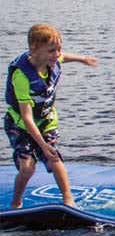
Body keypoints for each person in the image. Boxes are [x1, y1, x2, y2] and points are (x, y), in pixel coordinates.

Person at [5, 24, 98, 208]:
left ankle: (68, 199)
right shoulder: (21, 75)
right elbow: (26, 117)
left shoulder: (51, 60)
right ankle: (16, 202)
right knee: (27, 168)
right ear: (34, 50)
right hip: (21, 125)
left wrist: (82, 59)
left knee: (54, 158)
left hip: (46, 120)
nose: (57, 54)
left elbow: (64, 57)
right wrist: (43, 146)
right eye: (51, 51)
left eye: (59, 49)